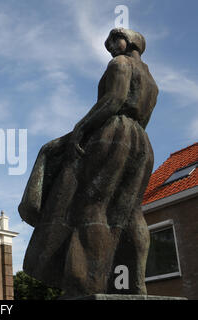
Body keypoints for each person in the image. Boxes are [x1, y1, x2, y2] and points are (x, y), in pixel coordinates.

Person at [19, 28, 158, 297]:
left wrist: (80, 128)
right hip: (142, 140)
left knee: (92, 208)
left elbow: (114, 99)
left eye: (113, 41)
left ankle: (86, 284)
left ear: (130, 41)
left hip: (113, 132)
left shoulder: (119, 64)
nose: (110, 48)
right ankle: (136, 284)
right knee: (131, 212)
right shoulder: (152, 80)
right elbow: (144, 115)